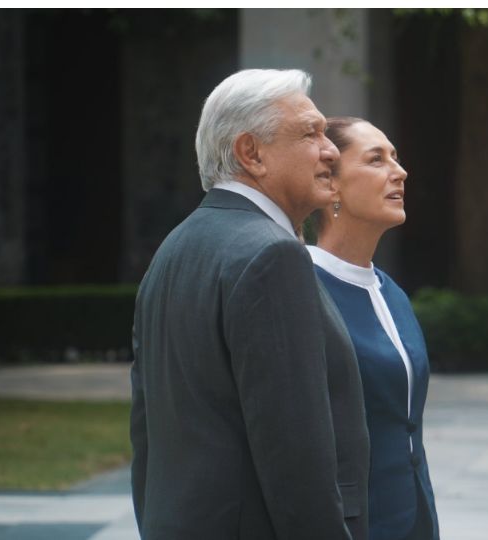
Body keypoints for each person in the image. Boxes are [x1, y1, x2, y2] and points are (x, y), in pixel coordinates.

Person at [130, 69, 369, 540]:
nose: (331, 150)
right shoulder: (272, 255)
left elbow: (148, 437)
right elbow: (295, 457)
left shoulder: (173, 249)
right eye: (310, 133)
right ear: (250, 153)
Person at [307, 117, 439, 540]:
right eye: (376, 160)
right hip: (352, 524)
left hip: (414, 515)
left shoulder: (393, 293)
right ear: (332, 185)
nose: (399, 172)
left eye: (396, 158)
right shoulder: (301, 291)